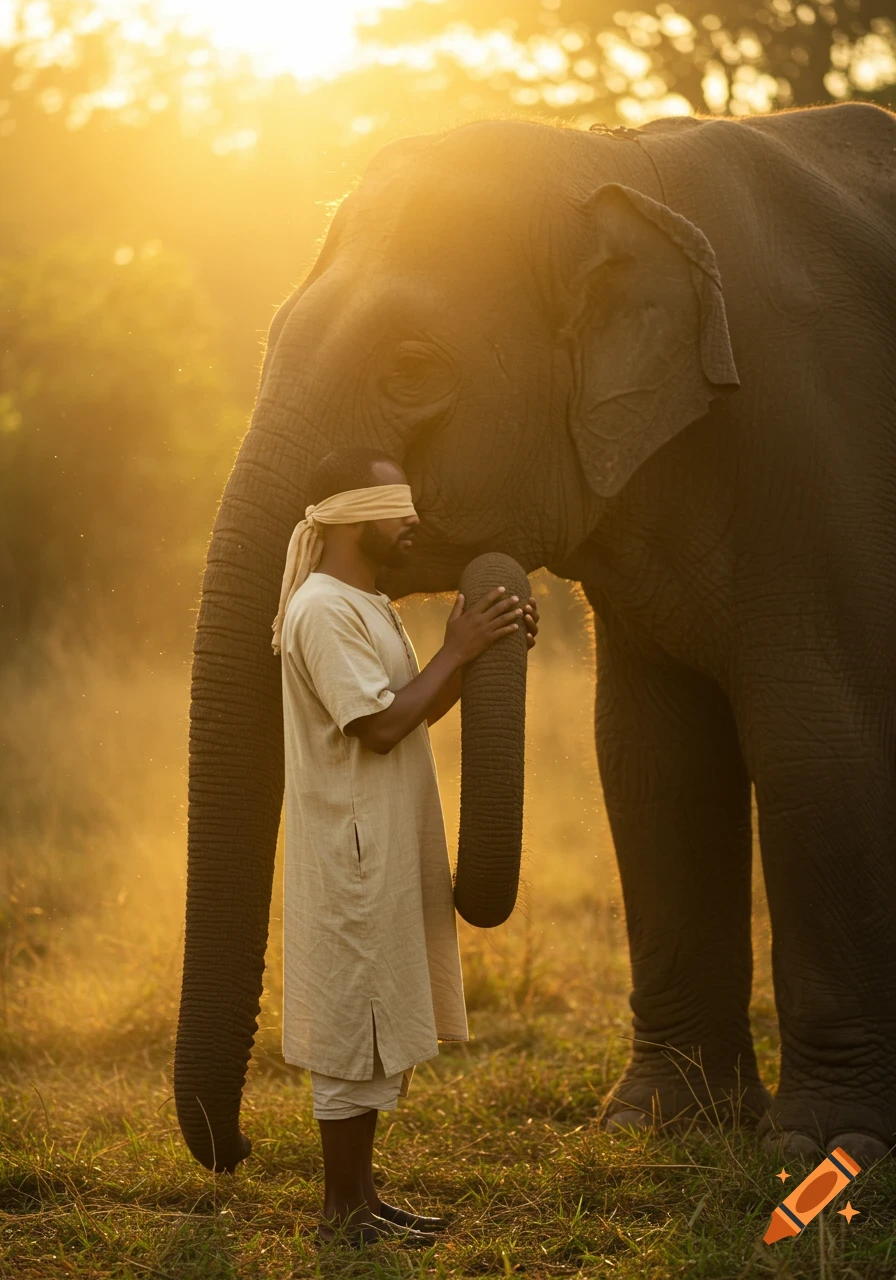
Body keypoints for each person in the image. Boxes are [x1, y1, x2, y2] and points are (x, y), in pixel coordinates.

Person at [270, 446, 538, 1247]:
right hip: (352, 850)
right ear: (353, 515)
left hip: (384, 842)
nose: (414, 518)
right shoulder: (321, 609)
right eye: (399, 506)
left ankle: (363, 1200)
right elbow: (380, 726)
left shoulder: (364, 601)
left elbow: (408, 707)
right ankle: (340, 1212)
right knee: (355, 1028)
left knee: (380, 1020)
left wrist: (482, 647)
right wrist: (454, 649)